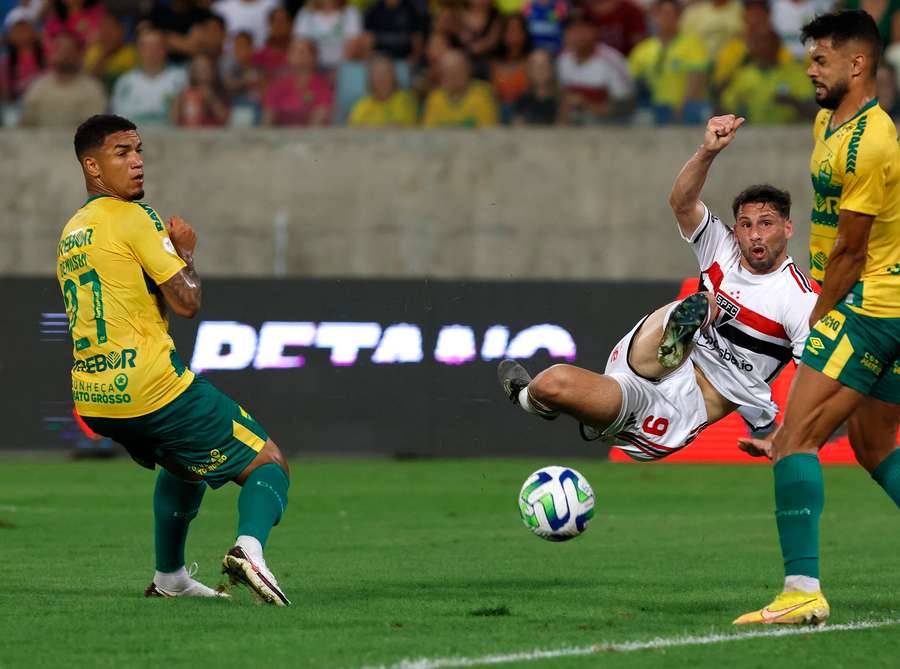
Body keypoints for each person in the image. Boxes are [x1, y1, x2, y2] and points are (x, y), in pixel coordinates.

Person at [56, 114, 291, 605]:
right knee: (269, 461)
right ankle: (249, 548)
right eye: (122, 152)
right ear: (92, 166)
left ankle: (171, 578)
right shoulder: (137, 218)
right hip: (151, 388)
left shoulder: (73, 231)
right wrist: (185, 254)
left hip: (96, 399)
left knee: (185, 464)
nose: (137, 161)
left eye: (139, 150)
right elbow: (186, 303)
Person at [499, 114, 819, 470]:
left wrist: (784, 432)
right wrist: (707, 151)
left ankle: (588, 416)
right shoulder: (722, 247)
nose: (755, 235)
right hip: (645, 362)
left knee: (558, 384)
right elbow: (682, 203)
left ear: (788, 228)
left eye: (766, 224)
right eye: (746, 225)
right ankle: (530, 399)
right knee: (551, 382)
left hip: (679, 411)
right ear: (736, 229)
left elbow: (813, 381)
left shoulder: (800, 300)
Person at [735, 10, 900, 626]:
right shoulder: (829, 121)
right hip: (887, 303)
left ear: (857, 64)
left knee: (794, 439)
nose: (809, 69)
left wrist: (816, 327)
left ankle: (801, 590)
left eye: (821, 59)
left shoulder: (872, 141)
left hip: (867, 306)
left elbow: (852, 253)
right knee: (874, 442)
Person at [628, 0, 710, 124]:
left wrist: (683, 107)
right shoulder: (642, 49)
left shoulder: (692, 45)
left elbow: (696, 81)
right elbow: (631, 82)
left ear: (678, 16)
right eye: (660, 13)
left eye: (669, 14)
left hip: (682, 108)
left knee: (693, 111)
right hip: (653, 108)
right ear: (654, 16)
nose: (664, 18)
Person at [720, 27, 816, 123]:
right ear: (752, 47)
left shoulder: (796, 73)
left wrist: (794, 102)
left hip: (790, 133)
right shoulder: (743, 75)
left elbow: (814, 110)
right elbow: (726, 108)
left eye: (769, 43)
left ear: (778, 45)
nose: (765, 47)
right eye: (760, 43)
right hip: (752, 134)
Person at [557, 12, 634, 125]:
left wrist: (587, 105)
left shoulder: (611, 60)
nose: (577, 36)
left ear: (594, 31)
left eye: (582, 29)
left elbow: (627, 106)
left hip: (612, 131)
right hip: (574, 132)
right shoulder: (563, 60)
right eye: (572, 30)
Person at [19, 30, 106, 127]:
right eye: (59, 50)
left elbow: (94, 132)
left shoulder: (93, 89)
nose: (64, 55)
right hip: (39, 141)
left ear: (79, 54)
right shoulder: (37, 87)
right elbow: (26, 124)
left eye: (68, 50)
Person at [111, 29, 188, 126]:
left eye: (156, 46)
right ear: (139, 51)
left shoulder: (180, 79)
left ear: (165, 50)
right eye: (146, 47)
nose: (152, 51)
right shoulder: (125, 82)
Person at [262, 37, 333, 126]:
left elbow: (320, 118)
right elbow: (267, 120)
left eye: (302, 52)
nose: (296, 55)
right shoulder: (278, 85)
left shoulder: (322, 85)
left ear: (314, 57)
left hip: (311, 137)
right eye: (293, 51)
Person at [422, 48, 498, 127]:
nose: (453, 77)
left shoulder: (483, 94)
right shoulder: (435, 98)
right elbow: (429, 132)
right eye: (448, 72)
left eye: (457, 71)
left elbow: (489, 131)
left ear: (468, 70)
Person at [292, 0, 364, 72]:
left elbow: (353, 46)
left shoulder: (350, 12)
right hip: (312, 67)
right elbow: (299, 44)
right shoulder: (305, 12)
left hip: (342, 67)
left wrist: (339, 70)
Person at [348, 54, 417, 126]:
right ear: (370, 79)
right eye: (377, 74)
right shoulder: (361, 105)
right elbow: (352, 129)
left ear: (393, 76)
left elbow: (402, 128)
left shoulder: (404, 100)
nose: (382, 78)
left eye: (385, 73)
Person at [491, 13, 532, 121]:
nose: (513, 34)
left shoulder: (531, 62)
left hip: (525, 114)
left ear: (524, 34)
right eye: (509, 30)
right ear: (503, 34)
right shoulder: (494, 64)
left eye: (517, 29)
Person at [83, 12, 138, 91]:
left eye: (111, 27)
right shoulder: (93, 51)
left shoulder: (132, 53)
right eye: (103, 27)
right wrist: (104, 56)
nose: (107, 32)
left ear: (121, 31)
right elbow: (89, 83)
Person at [173, 52, 230, 125]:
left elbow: (226, 120)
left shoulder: (221, 92)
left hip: (214, 134)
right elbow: (174, 120)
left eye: (206, 68)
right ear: (193, 71)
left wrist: (211, 99)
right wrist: (180, 98)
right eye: (198, 68)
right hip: (189, 134)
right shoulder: (186, 91)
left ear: (212, 70)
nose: (202, 72)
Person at [680, 0, 744, 62]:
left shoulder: (743, 10)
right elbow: (682, 44)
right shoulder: (692, 13)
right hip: (696, 66)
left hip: (735, 66)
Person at [513, 47, 559, 124]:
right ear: (529, 70)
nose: (540, 70)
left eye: (543, 65)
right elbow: (517, 130)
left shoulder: (562, 101)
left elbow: (564, 130)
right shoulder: (522, 100)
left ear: (551, 69)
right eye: (535, 66)